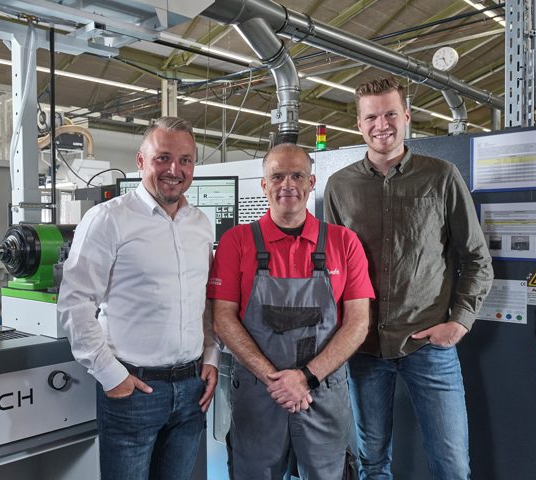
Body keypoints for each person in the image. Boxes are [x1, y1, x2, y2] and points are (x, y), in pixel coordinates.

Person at [323, 76, 494, 479]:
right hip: (363, 349)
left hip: (428, 346)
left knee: (451, 466)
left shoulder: (442, 177)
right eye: (371, 117)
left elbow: (476, 259)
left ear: (407, 117)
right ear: (359, 123)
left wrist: (459, 322)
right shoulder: (339, 186)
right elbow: (330, 270)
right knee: (372, 463)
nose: (381, 124)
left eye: (390, 114)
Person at [57, 116, 219, 480]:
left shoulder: (200, 224)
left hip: (192, 391)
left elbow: (204, 299)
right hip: (134, 390)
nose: (174, 170)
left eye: (185, 160)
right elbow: (75, 302)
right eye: (162, 157)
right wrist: (111, 374)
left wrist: (212, 354)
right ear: (141, 161)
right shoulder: (108, 219)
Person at [208, 143, 374, 480]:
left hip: (322, 394)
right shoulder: (236, 242)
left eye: (297, 175)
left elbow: (358, 322)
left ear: (312, 182)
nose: (288, 184)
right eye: (278, 176)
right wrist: (276, 381)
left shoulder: (344, 242)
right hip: (258, 394)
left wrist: (306, 378)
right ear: (264, 185)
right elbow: (222, 318)